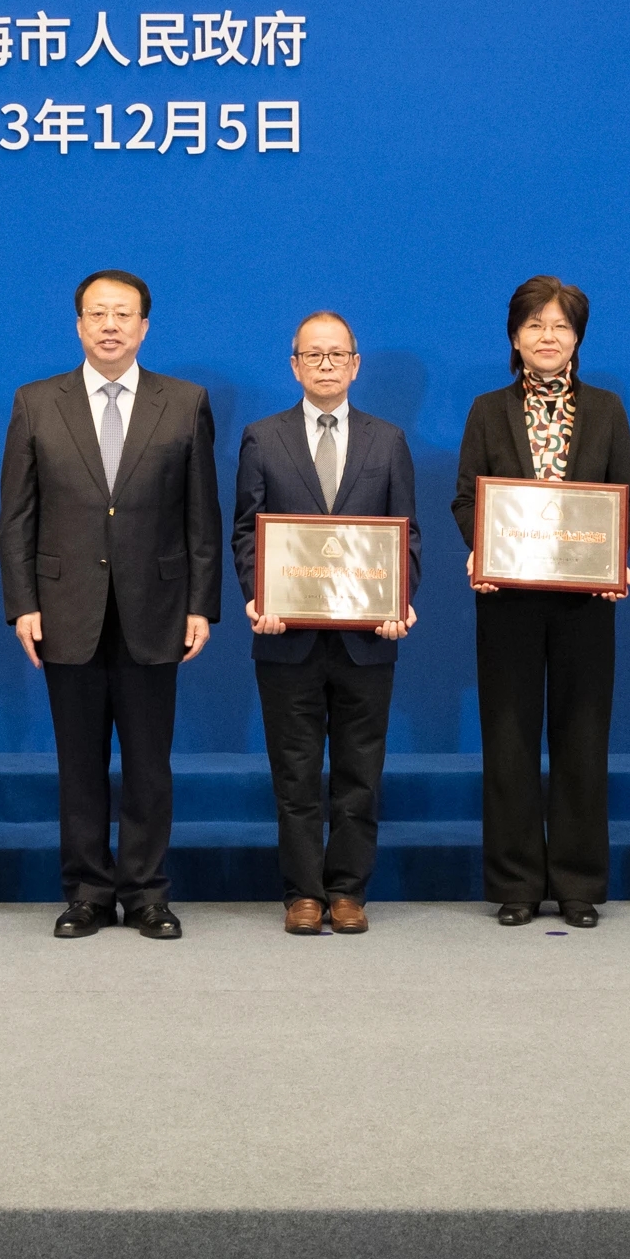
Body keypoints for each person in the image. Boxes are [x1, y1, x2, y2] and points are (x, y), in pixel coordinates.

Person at [0, 268, 220, 939]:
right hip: (66, 608)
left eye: (124, 314)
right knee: (79, 765)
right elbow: (17, 516)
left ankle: (148, 892)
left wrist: (202, 604)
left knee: (150, 764)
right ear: (78, 326)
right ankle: (88, 892)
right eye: (98, 313)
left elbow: (201, 514)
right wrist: (23, 603)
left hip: (158, 606)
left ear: (144, 327)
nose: (111, 325)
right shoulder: (37, 402)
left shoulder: (184, 402)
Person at [448, 276, 630, 928]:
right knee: (508, 738)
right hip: (508, 599)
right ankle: (517, 883)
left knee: (583, 738)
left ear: (577, 337)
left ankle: (578, 884)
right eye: (534, 325)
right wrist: (482, 548)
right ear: (514, 336)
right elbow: (466, 498)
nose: (547, 337)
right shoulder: (487, 410)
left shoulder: (607, 410)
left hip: (586, 600)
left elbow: (626, 501)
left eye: (560, 325)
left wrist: (613, 556)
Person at [233, 310, 418, 936]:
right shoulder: (263, 438)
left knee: (360, 774)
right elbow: (247, 532)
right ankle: (303, 893)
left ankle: (347, 891)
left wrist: (399, 601)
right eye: (313, 355)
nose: (326, 365)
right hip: (287, 638)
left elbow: (406, 535)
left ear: (356, 365)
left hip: (368, 640)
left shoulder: (387, 440)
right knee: (296, 774)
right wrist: (258, 595)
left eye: (337, 354)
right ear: (295, 366)